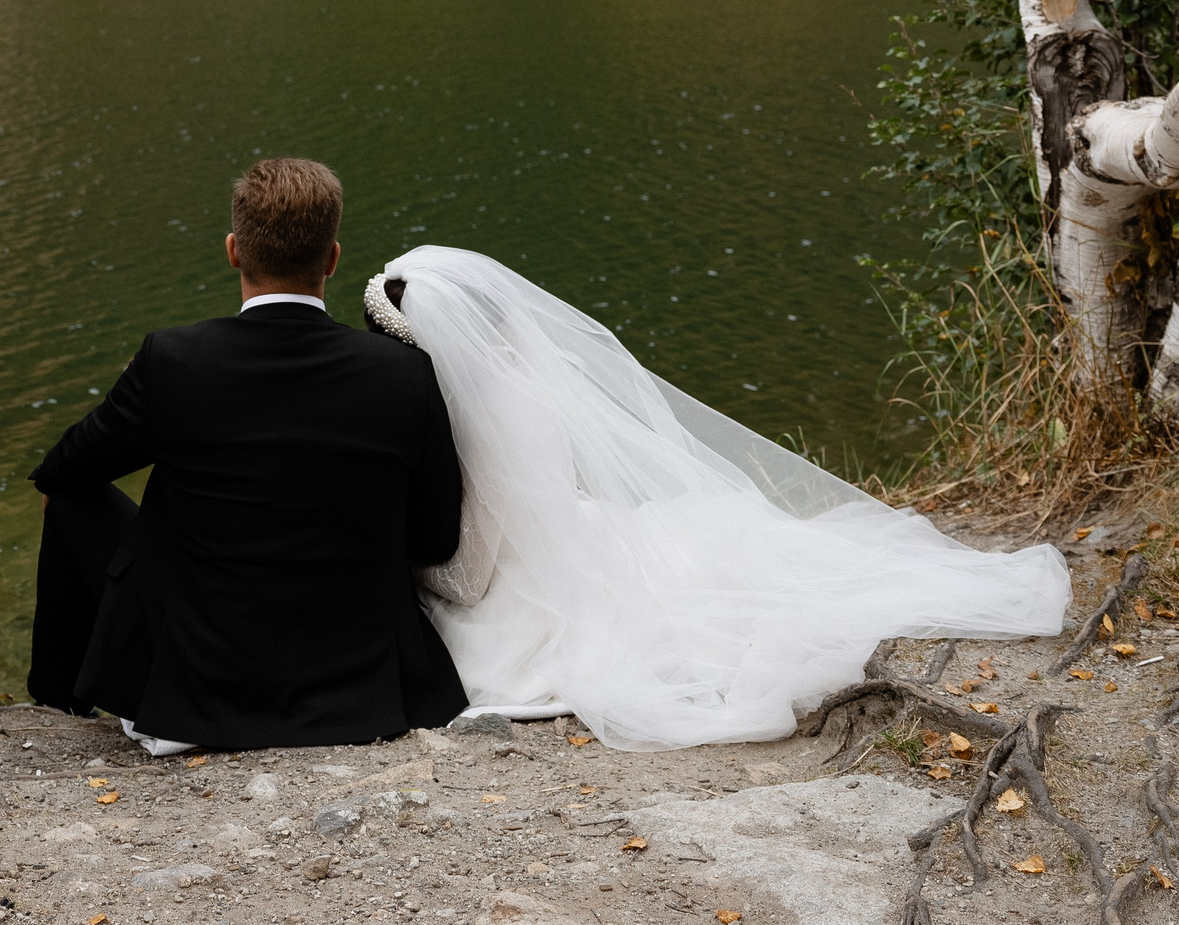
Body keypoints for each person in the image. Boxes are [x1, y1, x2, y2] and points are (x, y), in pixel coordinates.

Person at [365, 245, 1071, 753]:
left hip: (525, 603)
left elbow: (472, 575)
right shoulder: (525, 386)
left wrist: (397, 563)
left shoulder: (480, 415)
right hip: (579, 539)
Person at [27, 159, 467, 752]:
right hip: (362, 691)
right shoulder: (403, 373)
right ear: (332, 258)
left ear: (234, 251)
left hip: (197, 691)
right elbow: (437, 540)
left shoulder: (174, 361)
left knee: (71, 498)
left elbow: (60, 472)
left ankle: (58, 704)